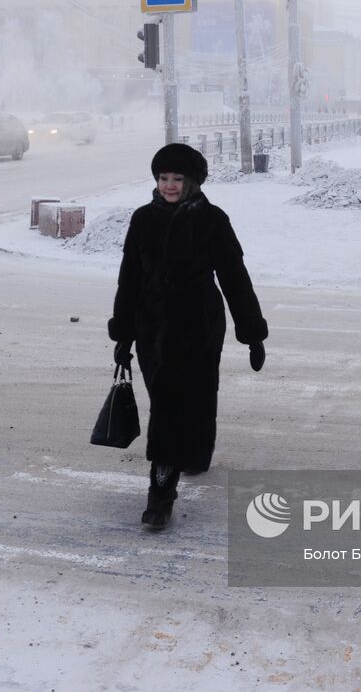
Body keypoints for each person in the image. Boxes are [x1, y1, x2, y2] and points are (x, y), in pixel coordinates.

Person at [108, 143, 268, 531]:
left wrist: (252, 331)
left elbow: (234, 277)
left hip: (198, 325)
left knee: (187, 399)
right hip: (151, 327)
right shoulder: (143, 219)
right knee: (167, 401)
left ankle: (161, 495)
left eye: (177, 178)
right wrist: (124, 333)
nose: (169, 185)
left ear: (192, 181)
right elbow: (129, 278)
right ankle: (190, 455)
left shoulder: (212, 219)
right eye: (163, 178)